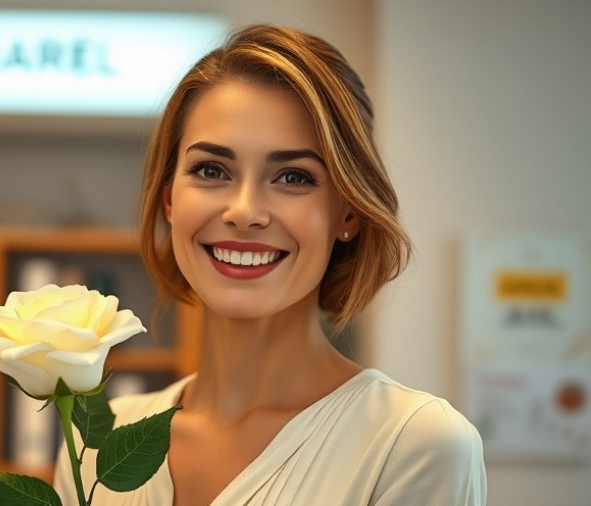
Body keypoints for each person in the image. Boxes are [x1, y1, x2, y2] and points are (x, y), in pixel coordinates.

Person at [54, 23, 487, 505]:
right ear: (170, 200)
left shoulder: (413, 444)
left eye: (293, 177)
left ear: (348, 213)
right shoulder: (100, 445)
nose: (243, 211)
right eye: (211, 170)